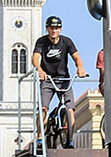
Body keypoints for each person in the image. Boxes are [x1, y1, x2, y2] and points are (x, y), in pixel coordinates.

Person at [32, 16, 85, 147]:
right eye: (51, 28)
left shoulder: (67, 41)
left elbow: (76, 57)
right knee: (43, 109)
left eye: (56, 28)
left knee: (70, 110)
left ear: (60, 29)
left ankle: (69, 138)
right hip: (48, 79)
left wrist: (80, 68)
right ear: (47, 29)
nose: (54, 31)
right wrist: (39, 70)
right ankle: (40, 137)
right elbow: (35, 58)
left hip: (64, 80)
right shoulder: (42, 42)